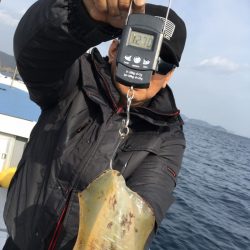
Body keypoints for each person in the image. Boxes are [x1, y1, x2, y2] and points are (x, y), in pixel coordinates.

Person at [3, 0, 187, 249]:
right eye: (139, 47)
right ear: (114, 49)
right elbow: (34, 56)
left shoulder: (168, 137)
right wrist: (79, 14)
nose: (147, 66)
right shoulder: (75, 76)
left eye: (162, 63)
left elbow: (147, 203)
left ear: (169, 76)